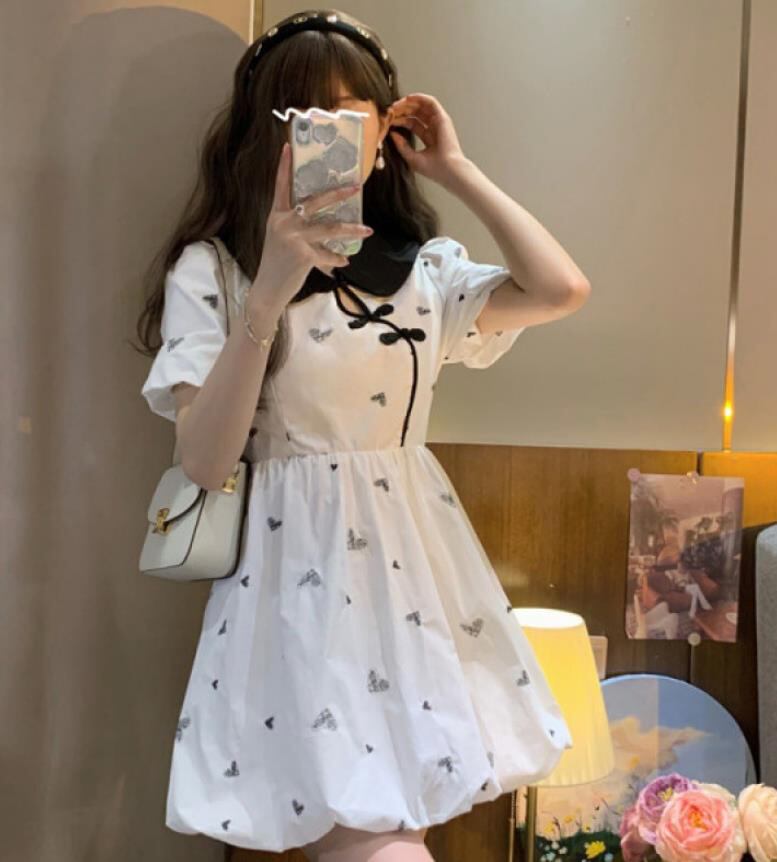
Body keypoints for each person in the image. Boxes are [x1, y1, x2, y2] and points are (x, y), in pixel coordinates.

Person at [135, 8, 591, 861]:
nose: (328, 136)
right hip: (294, 578)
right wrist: (270, 289)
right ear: (266, 133)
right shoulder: (216, 270)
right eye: (302, 117)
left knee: (390, 825)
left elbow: (559, 288)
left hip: (413, 576)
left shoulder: (420, 271)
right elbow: (202, 460)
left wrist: (455, 170)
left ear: (384, 131)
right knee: (372, 833)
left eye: (351, 116)